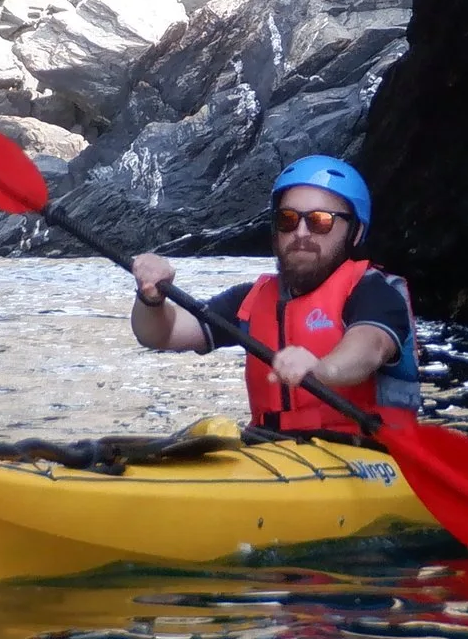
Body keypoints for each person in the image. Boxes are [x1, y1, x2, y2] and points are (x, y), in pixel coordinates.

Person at [129, 156, 424, 438]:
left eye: (320, 221)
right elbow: (160, 335)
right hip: (269, 444)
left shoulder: (375, 291)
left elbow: (370, 347)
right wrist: (151, 298)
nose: (301, 232)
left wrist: (323, 369)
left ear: (356, 232)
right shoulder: (252, 300)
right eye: (288, 219)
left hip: (362, 451)